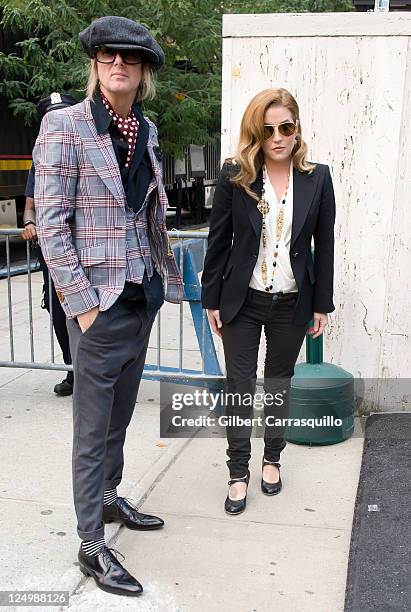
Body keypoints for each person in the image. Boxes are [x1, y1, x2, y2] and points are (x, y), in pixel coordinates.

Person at [33, 16, 184, 597]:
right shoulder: (64, 126)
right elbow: (51, 223)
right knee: (92, 428)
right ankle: (91, 541)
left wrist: (159, 284)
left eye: (129, 57)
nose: (117, 64)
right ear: (95, 65)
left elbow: (148, 214)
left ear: (143, 71)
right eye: (106, 56)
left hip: (139, 295)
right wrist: (83, 306)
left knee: (121, 415)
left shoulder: (144, 130)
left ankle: (108, 496)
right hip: (95, 304)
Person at [201, 88, 336, 515]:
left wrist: (322, 304)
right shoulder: (234, 174)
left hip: (292, 303)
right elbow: (218, 241)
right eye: (268, 129)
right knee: (240, 388)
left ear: (297, 129)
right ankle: (237, 472)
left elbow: (325, 245)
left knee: (278, 385)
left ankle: (272, 459)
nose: (277, 137)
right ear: (255, 133)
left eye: (285, 127)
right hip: (242, 299)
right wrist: (211, 299)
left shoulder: (318, 177)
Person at [22, 93, 78, 396]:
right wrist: (30, 223)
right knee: (59, 313)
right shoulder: (40, 161)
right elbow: (30, 204)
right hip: (53, 255)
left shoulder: (88, 152)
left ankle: (96, 375)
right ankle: (74, 372)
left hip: (84, 252)